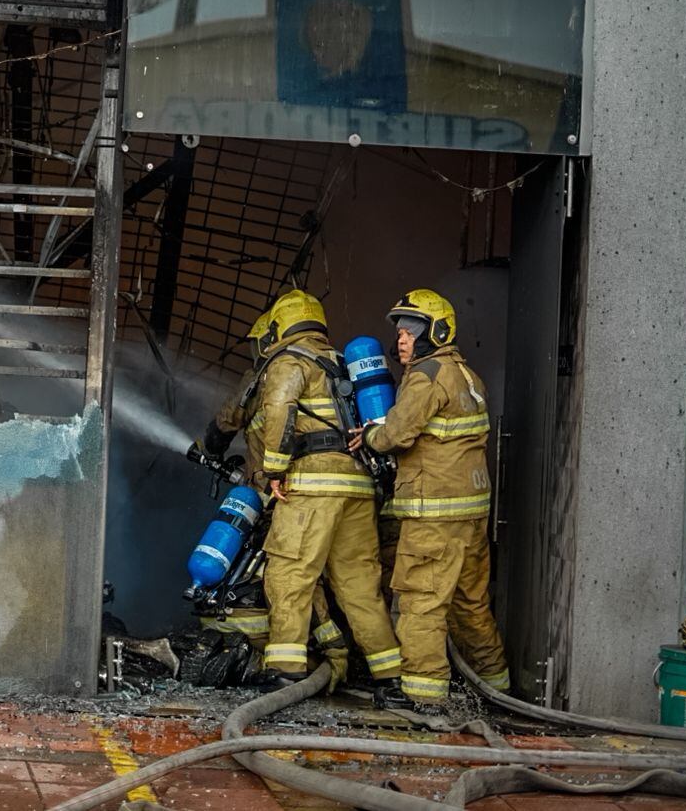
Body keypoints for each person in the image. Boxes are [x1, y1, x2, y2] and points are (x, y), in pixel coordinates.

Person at [194, 289, 402, 690]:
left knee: (288, 574)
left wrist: (273, 470)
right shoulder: (342, 364)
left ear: (279, 327)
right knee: (359, 586)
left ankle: (287, 669)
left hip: (311, 484)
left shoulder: (289, 361)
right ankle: (389, 676)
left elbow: (278, 410)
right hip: (356, 489)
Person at [351, 289, 510, 711]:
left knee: (420, 601)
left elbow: (396, 435)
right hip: (471, 515)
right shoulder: (467, 376)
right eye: (400, 331)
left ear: (437, 332)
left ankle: (423, 696)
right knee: (470, 605)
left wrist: (369, 434)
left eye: (412, 330)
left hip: (433, 516)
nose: (402, 338)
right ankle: (498, 689)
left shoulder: (426, 374)